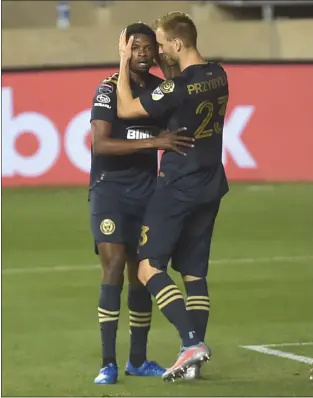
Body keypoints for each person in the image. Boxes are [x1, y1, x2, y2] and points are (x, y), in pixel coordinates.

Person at [117, 12, 229, 381]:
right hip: (212, 183)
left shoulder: (177, 88)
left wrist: (122, 61)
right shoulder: (218, 74)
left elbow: (127, 109)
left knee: (149, 267)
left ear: (177, 44)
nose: (159, 50)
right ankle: (190, 359)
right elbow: (182, 88)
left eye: (163, 44)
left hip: (179, 183)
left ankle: (191, 341)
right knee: (194, 273)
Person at [89, 22, 194, 385]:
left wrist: (169, 69)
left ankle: (137, 359)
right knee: (114, 264)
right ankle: (108, 363)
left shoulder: (156, 90)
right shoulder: (106, 90)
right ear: (124, 51)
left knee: (142, 271)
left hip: (148, 192)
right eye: (136, 48)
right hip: (111, 191)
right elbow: (100, 145)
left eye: (149, 47)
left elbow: (178, 93)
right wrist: (154, 144)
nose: (144, 53)